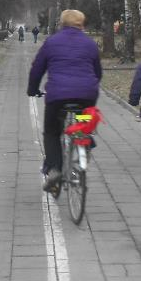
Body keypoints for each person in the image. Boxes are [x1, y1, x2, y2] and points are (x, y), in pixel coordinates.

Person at [28, 10, 102, 191]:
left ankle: (54, 168)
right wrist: (90, 86)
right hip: (86, 96)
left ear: (62, 23)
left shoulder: (51, 42)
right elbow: (97, 72)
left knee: (52, 132)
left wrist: (32, 89)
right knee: (85, 118)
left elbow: (37, 69)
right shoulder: (90, 43)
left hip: (57, 97)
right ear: (81, 23)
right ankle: (86, 137)